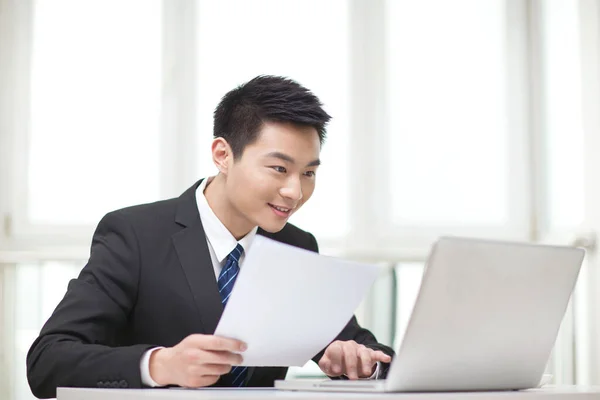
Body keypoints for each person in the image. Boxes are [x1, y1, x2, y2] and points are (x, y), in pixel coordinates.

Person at [26, 75, 394, 399]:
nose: (294, 192)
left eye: (308, 173)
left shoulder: (296, 245)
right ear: (223, 154)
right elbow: (48, 361)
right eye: (279, 168)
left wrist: (358, 359)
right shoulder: (135, 235)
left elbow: (368, 349)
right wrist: (159, 364)